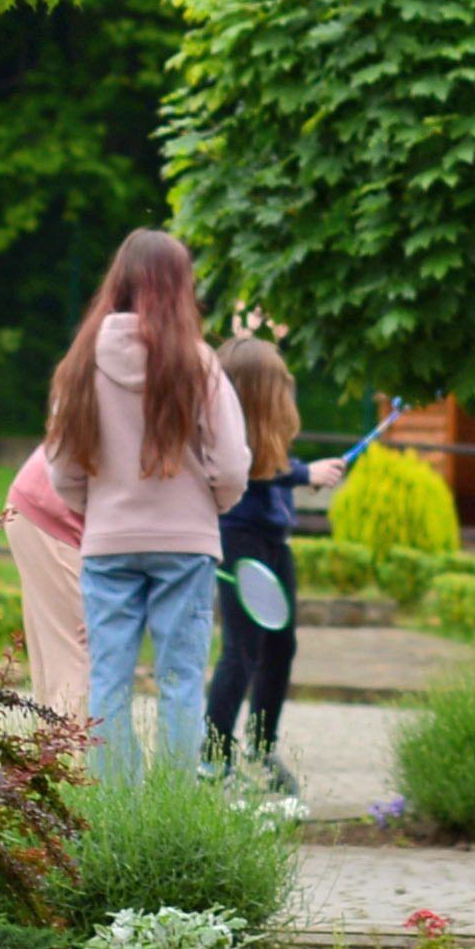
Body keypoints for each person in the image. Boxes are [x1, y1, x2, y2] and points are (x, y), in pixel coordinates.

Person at [50, 226, 249, 771]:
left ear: (119, 282)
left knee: (108, 681)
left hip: (108, 542)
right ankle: (176, 812)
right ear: (181, 287)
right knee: (182, 679)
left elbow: (61, 468)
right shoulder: (199, 363)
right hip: (186, 544)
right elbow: (232, 464)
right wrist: (211, 507)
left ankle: (116, 812)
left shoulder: (80, 363)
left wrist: (101, 510)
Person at [204, 331, 315, 811]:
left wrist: (304, 471)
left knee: (281, 646)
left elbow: (275, 461)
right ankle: (212, 758)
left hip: (273, 540)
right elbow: (253, 467)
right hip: (240, 539)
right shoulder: (232, 440)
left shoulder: (268, 443)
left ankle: (261, 750)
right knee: (241, 651)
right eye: (280, 387)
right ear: (258, 395)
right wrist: (307, 474)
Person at [3, 439, 94, 727]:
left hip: (44, 504)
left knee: (59, 669)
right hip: (56, 514)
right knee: (82, 659)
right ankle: (69, 768)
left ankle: (51, 765)